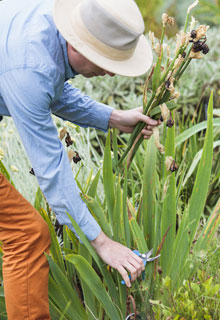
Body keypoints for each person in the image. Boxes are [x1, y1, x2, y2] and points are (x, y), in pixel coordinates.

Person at [0, 0, 159, 318]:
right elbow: (52, 172)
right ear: (77, 43)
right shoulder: (28, 64)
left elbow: (51, 85)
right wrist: (102, 242)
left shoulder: (48, 25)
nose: (111, 71)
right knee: (27, 234)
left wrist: (112, 117)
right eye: (106, 59)